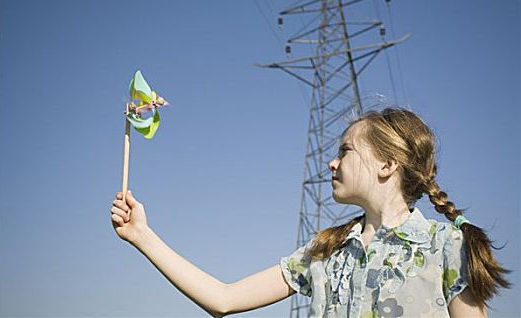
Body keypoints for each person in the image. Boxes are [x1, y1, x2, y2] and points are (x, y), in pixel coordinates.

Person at [111, 107, 511, 317]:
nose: (331, 164)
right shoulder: (323, 252)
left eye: (345, 151)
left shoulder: (450, 248)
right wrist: (143, 236)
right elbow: (223, 299)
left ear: (388, 165)